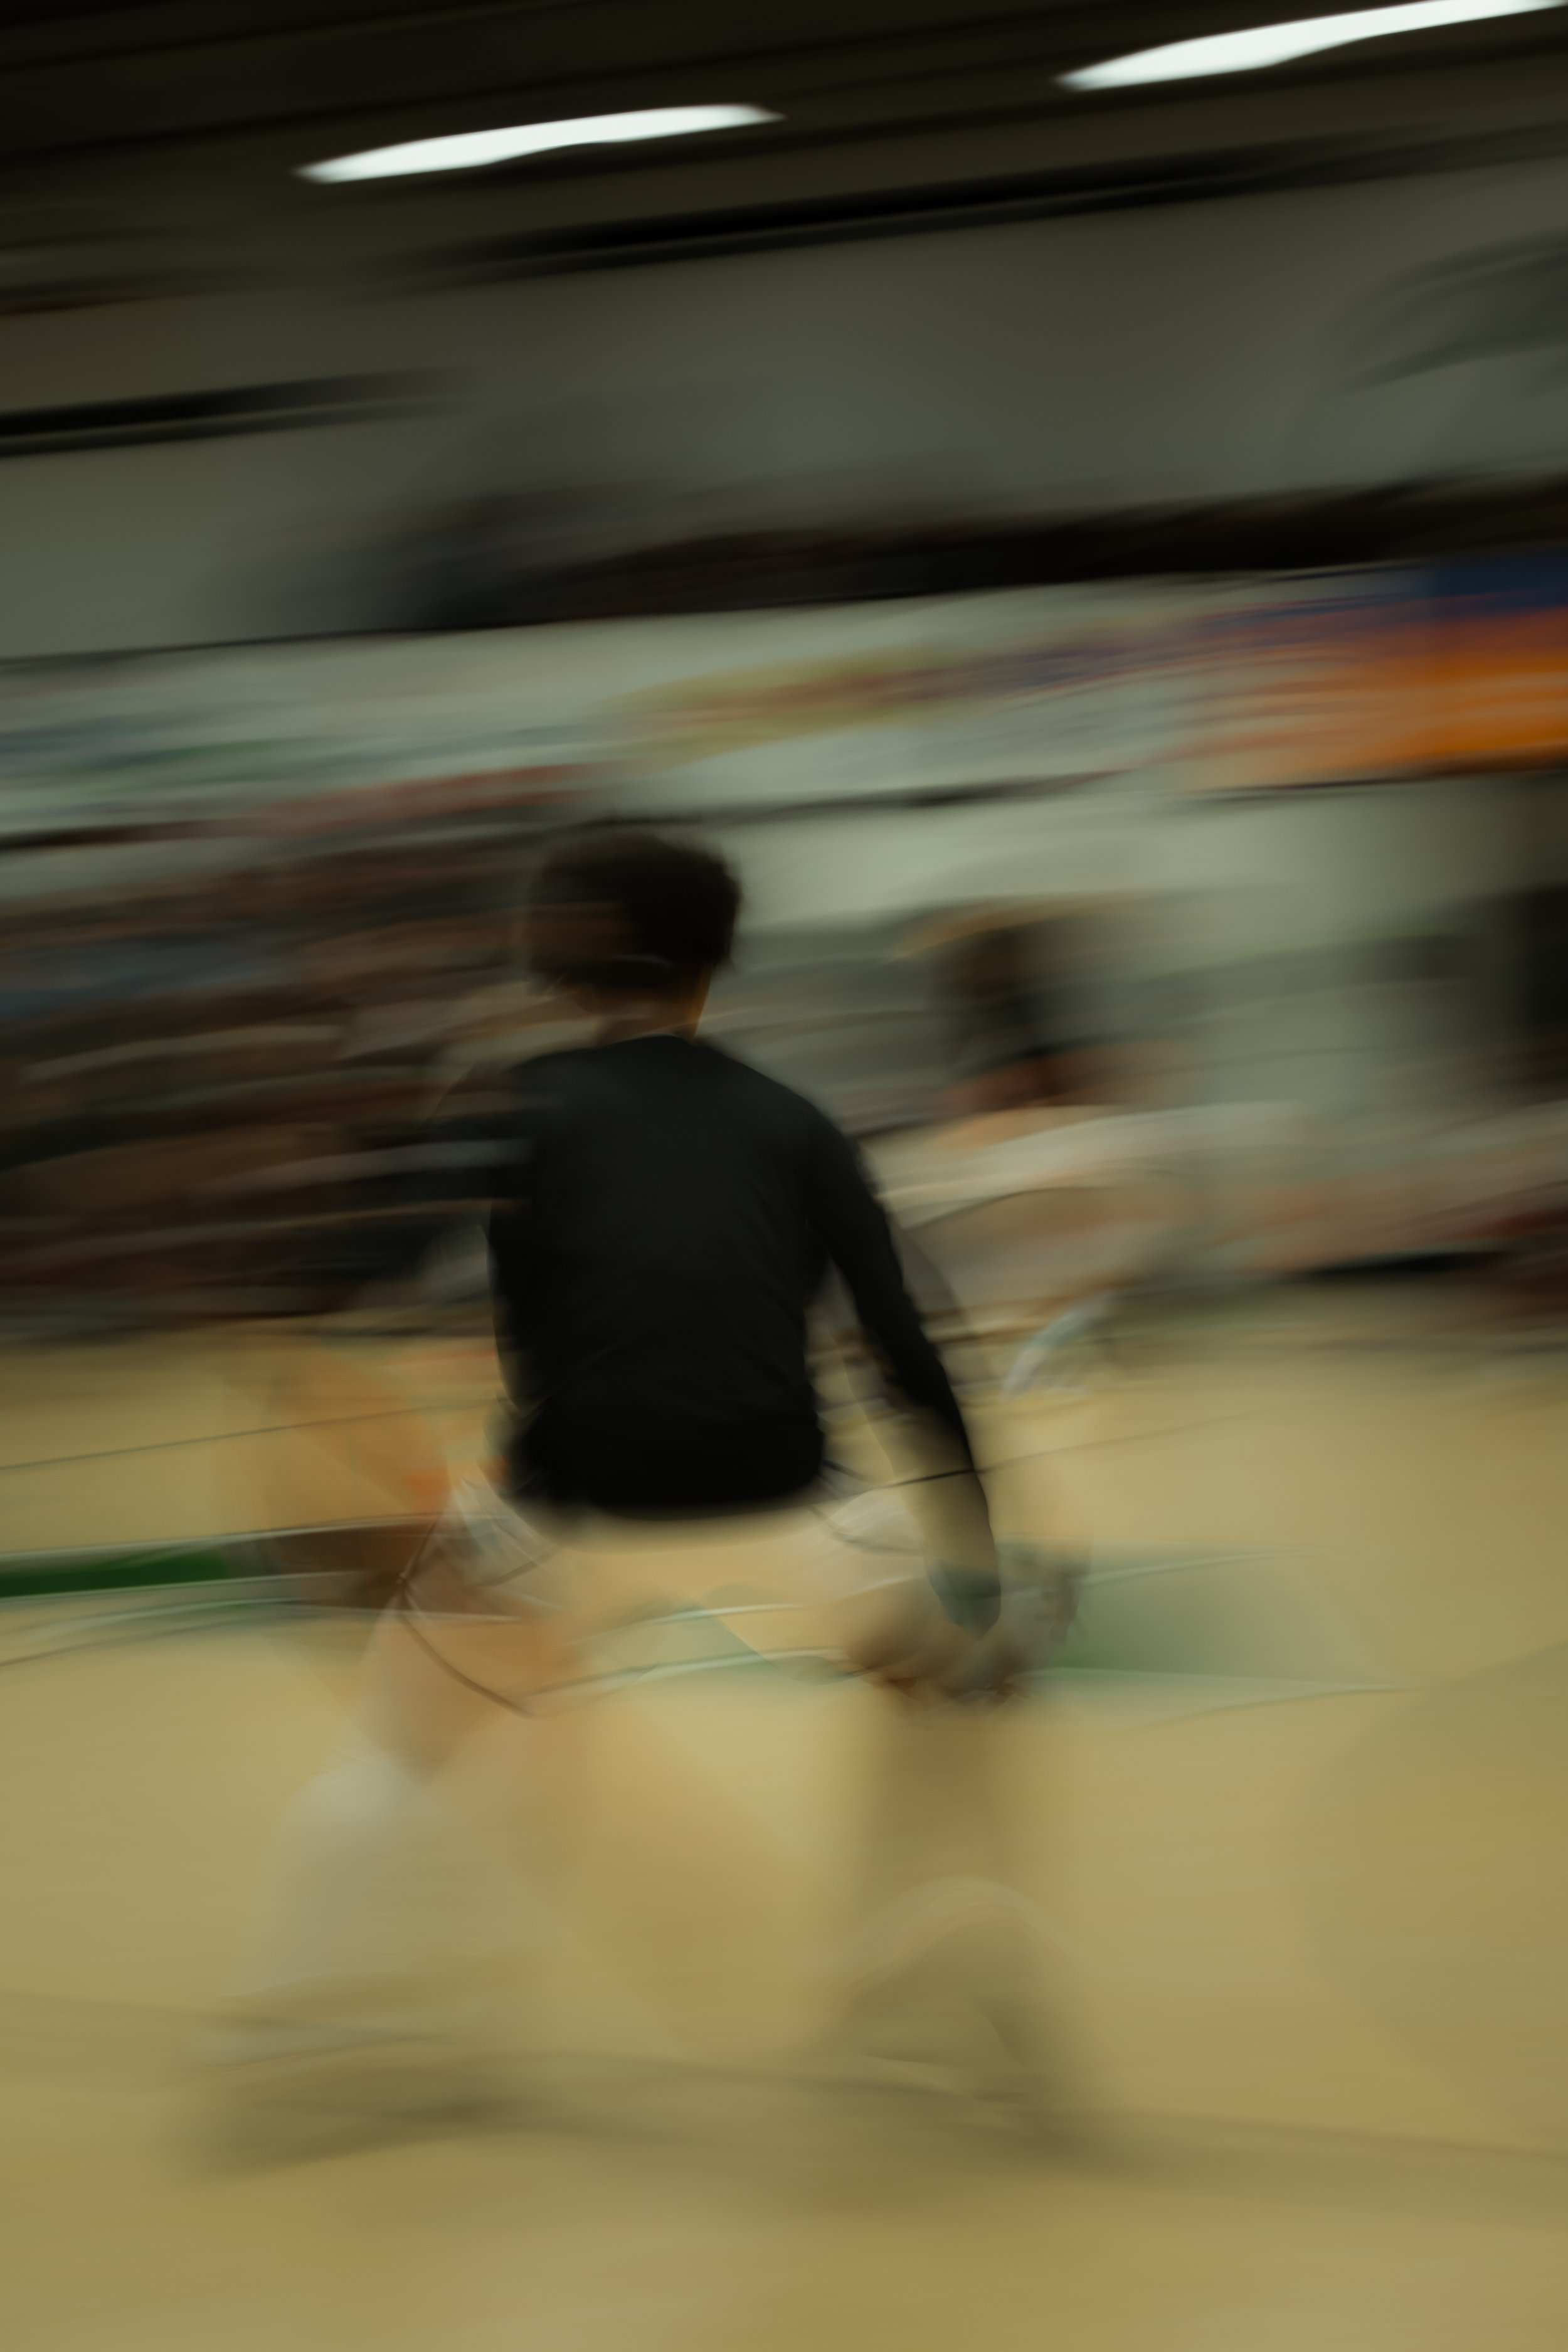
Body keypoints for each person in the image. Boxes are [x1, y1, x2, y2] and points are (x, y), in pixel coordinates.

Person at [219, 831, 1067, 2113]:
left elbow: (354, 1279)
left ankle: (297, 2029)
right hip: (788, 1510)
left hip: (564, 1521)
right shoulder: (793, 1122)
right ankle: (942, 1985)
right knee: (938, 1696)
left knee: (397, 1750)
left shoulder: (514, 1103)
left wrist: (291, 1367)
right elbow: (908, 1354)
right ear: (713, 963)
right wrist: (978, 1572)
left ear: (565, 962)